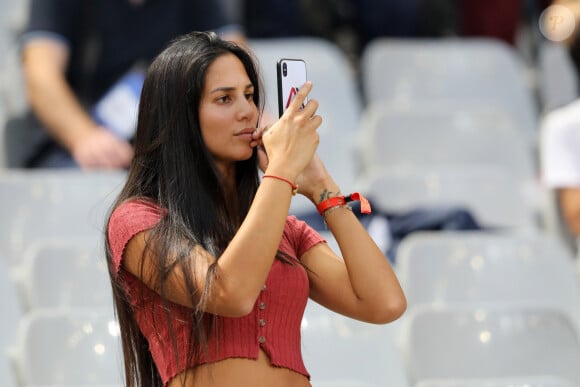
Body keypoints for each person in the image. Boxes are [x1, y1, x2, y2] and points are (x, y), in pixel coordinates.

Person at [105, 31, 406, 386]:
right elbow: (229, 293)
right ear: (180, 116)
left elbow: (383, 303)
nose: (248, 111)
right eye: (224, 99)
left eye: (249, 95)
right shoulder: (137, 218)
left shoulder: (287, 230)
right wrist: (281, 172)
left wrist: (323, 189)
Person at [5, 0, 244, 169]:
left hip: (166, 146)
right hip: (74, 147)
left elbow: (235, 60)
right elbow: (40, 75)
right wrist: (84, 137)